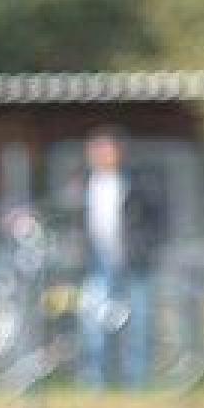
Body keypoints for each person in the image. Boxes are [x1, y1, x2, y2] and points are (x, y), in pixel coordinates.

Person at [74, 126, 169, 390]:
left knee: (139, 323)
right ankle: (96, 383)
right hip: (98, 264)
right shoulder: (85, 183)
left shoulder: (138, 181)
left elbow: (158, 220)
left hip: (134, 264)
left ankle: (137, 382)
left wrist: (145, 248)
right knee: (93, 324)